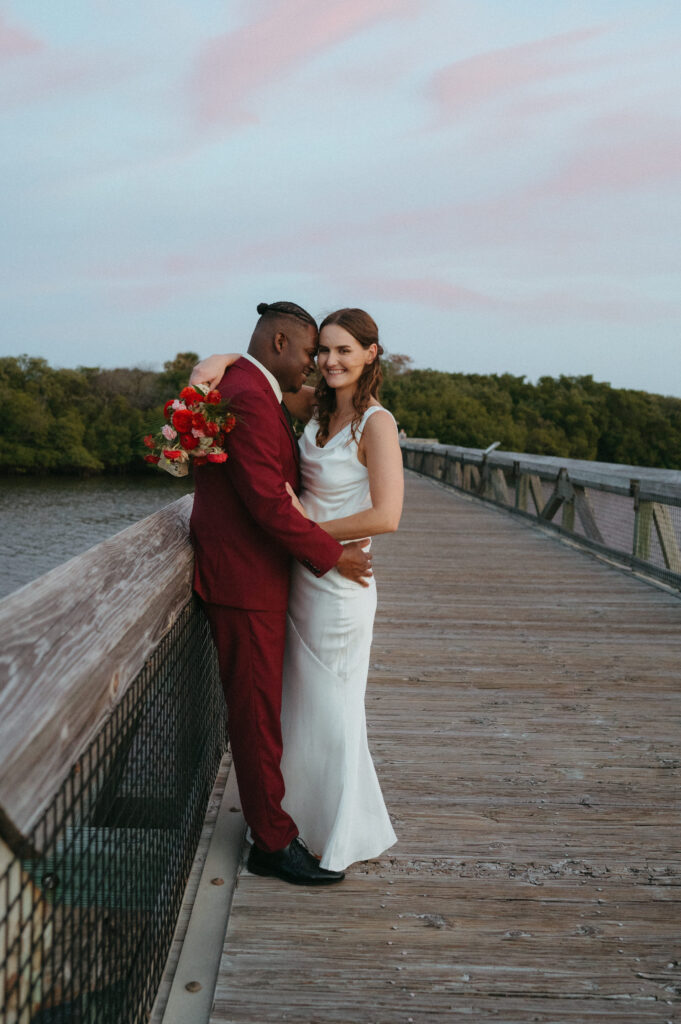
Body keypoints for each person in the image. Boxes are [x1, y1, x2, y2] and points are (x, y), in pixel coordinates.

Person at [191, 307, 404, 872]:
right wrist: (222, 358)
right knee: (292, 706)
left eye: (340, 352)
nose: (326, 363)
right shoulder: (315, 406)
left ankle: (328, 829)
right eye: (320, 352)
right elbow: (252, 376)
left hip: (334, 584)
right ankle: (290, 823)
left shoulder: (374, 423)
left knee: (332, 707)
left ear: (369, 355)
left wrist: (318, 542)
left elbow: (388, 515)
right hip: (298, 574)